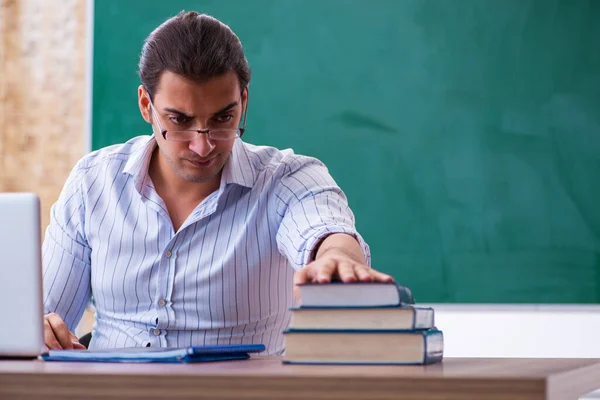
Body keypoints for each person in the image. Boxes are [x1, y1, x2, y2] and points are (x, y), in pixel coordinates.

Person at [42, 11, 393, 355]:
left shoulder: (287, 179)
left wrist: (336, 259)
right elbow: (43, 317)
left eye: (223, 118)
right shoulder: (92, 182)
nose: (203, 144)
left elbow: (326, 231)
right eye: (179, 120)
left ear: (243, 101)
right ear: (147, 106)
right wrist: (37, 328)